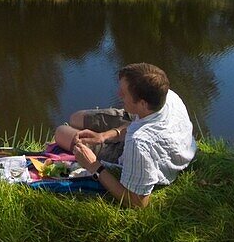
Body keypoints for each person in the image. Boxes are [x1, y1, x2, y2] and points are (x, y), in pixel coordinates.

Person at [54, 62, 196, 208]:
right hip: (149, 131)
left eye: (124, 92)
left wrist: (94, 167)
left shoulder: (139, 144)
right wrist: (104, 136)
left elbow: (139, 203)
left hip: (140, 148)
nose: (118, 94)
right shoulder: (167, 97)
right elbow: (139, 123)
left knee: (61, 132)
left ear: (142, 103)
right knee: (76, 118)